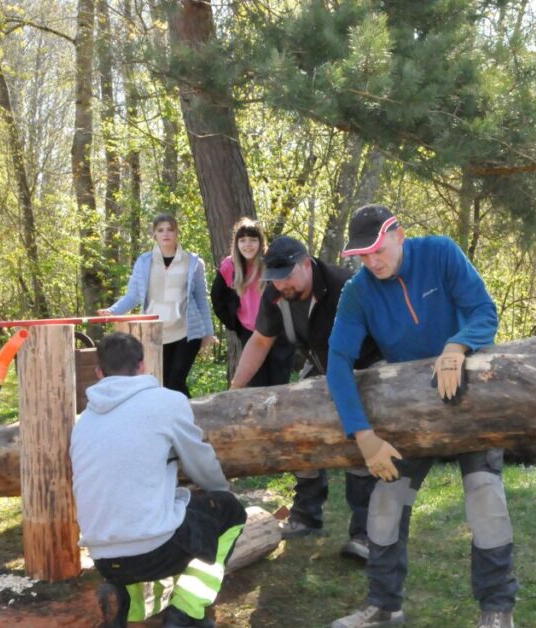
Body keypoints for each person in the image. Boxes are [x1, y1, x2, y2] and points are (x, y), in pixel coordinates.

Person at [324, 205, 519, 628]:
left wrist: (457, 346)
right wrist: (364, 435)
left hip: (471, 399)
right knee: (386, 501)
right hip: (410, 408)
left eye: (378, 249)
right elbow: (337, 362)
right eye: (363, 254)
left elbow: (484, 312)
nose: (372, 261)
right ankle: (383, 604)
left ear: (399, 234)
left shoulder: (441, 254)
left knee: (485, 497)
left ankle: (497, 610)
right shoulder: (358, 292)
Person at [70, 332, 246, 628]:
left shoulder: (83, 421)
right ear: (142, 365)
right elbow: (200, 462)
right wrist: (221, 491)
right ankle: (188, 612)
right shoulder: (167, 402)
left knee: (140, 514)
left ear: (99, 372)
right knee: (229, 512)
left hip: (101, 554)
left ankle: (129, 604)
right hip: (154, 551)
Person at [229, 235, 383, 560]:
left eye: (286, 276)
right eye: (275, 278)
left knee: (358, 446)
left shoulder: (344, 285)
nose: (281, 285)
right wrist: (235, 389)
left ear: (305, 264)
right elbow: (260, 341)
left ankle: (366, 534)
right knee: (297, 432)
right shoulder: (276, 295)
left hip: (365, 368)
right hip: (321, 366)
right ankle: (306, 515)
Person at [99, 213, 217, 397]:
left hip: (187, 333)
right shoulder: (144, 261)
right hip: (155, 334)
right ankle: (182, 419)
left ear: (177, 232)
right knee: (162, 384)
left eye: (170, 229)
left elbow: (201, 299)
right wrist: (111, 311)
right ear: (154, 234)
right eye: (160, 230)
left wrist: (208, 332)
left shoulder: (193, 262)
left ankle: (188, 422)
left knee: (176, 382)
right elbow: (133, 296)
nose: (166, 234)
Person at [211, 217, 295, 388]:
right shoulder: (229, 266)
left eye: (252, 240)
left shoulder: (272, 263)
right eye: (242, 240)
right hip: (250, 333)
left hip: (279, 333)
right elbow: (218, 299)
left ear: (260, 242)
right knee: (256, 385)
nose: (247, 245)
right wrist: (236, 324)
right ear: (236, 243)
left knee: (279, 385)